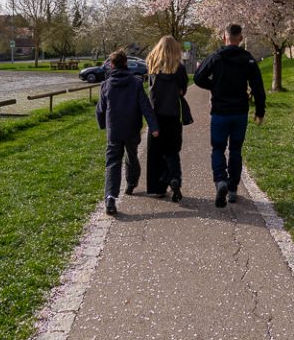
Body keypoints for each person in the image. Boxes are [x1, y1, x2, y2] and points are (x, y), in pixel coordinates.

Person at [194, 23, 266, 208]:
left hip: (220, 111)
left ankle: (220, 180)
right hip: (239, 111)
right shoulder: (248, 60)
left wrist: (215, 86)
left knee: (218, 148)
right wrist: (260, 111)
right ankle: (232, 188)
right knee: (235, 150)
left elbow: (198, 77)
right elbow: (258, 87)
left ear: (224, 37)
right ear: (240, 39)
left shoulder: (216, 58)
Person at [96, 49, 159, 215]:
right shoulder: (136, 83)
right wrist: (153, 127)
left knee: (112, 162)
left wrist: (102, 124)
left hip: (114, 130)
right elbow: (145, 106)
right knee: (131, 155)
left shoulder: (106, 85)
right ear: (126, 63)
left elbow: (100, 109)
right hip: (132, 128)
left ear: (111, 65)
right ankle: (131, 183)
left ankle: (110, 197)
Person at [144, 35, 189, 202]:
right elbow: (183, 90)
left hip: (156, 114)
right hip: (173, 114)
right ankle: (174, 178)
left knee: (155, 152)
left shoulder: (152, 65)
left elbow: (150, 88)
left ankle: (157, 187)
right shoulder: (180, 68)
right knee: (172, 151)